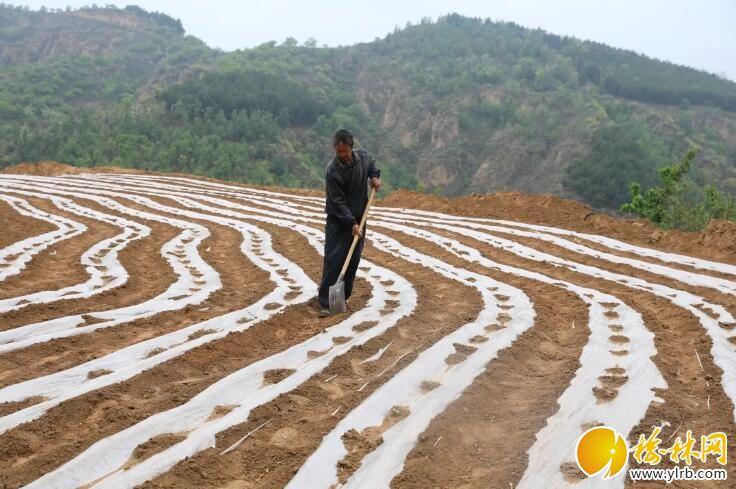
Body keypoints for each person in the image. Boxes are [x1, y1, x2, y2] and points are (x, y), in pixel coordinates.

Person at [317, 128, 382, 317]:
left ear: (351, 148)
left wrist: (375, 177)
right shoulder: (333, 170)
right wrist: (350, 222)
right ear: (334, 149)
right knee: (334, 260)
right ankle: (324, 302)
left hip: (359, 219)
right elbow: (338, 201)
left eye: (345, 152)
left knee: (353, 260)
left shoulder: (362, 158)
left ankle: (342, 298)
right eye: (339, 152)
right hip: (338, 221)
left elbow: (372, 166)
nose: (343, 156)